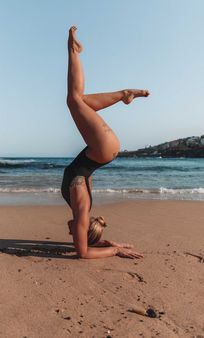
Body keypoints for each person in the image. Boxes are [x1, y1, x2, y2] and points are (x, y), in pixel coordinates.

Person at [61, 26, 149, 259]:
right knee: (73, 100)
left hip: (99, 150)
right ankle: (74, 51)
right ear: (83, 228)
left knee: (80, 101)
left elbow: (87, 243)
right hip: (103, 148)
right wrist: (115, 249)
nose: (70, 234)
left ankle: (124, 94)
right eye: (75, 234)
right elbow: (83, 253)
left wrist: (106, 242)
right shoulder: (81, 208)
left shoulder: (83, 208)